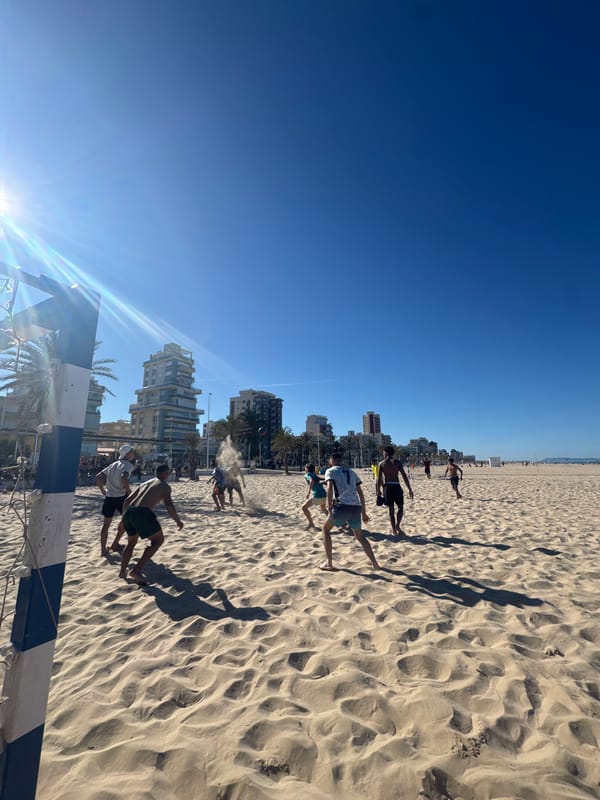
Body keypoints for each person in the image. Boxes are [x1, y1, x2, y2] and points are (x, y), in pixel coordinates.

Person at [119, 464, 183, 585]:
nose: (169, 474)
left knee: (131, 543)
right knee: (158, 541)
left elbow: (127, 500)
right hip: (142, 512)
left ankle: (122, 572)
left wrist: (124, 517)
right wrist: (178, 521)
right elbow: (169, 505)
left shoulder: (145, 483)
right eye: (168, 472)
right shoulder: (164, 486)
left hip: (128, 512)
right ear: (164, 473)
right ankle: (136, 571)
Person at [320, 453, 380, 572]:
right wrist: (364, 512)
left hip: (342, 506)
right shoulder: (351, 471)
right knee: (359, 536)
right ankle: (375, 563)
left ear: (332, 460)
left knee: (325, 529)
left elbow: (329, 487)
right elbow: (360, 492)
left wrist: (329, 505)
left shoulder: (330, 471)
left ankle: (329, 563)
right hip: (356, 506)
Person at [95, 445, 136, 557]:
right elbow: (124, 477)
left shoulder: (113, 464)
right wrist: (128, 490)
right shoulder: (128, 465)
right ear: (127, 454)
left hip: (109, 497)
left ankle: (103, 550)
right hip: (121, 498)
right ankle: (115, 543)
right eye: (132, 452)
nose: (133, 454)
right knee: (127, 521)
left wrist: (102, 490)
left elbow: (98, 476)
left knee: (106, 525)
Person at [376, 445, 414, 538]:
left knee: (391, 510)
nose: (383, 454)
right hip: (396, 486)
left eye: (383, 452)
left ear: (386, 453)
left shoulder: (381, 463)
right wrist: (409, 489)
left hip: (387, 487)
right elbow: (404, 476)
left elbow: (379, 479)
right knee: (400, 507)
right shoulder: (397, 462)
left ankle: (394, 530)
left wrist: (378, 490)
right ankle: (397, 525)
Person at [301, 463, 327, 530]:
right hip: (324, 494)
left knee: (304, 508)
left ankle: (311, 524)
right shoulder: (314, 474)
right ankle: (339, 523)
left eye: (305, 468)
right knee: (324, 509)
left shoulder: (307, 475)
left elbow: (312, 480)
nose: (305, 469)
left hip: (317, 495)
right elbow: (318, 478)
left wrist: (308, 492)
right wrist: (325, 480)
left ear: (307, 469)